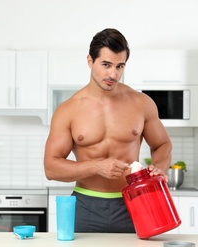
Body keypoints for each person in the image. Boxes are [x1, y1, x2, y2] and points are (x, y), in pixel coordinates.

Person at [43, 28, 172, 233]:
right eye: (106, 65)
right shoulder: (68, 110)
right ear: (90, 61)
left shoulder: (142, 103)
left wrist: (159, 167)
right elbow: (51, 168)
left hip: (135, 202)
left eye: (120, 66)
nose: (113, 74)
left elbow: (162, 144)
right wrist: (96, 166)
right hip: (86, 205)